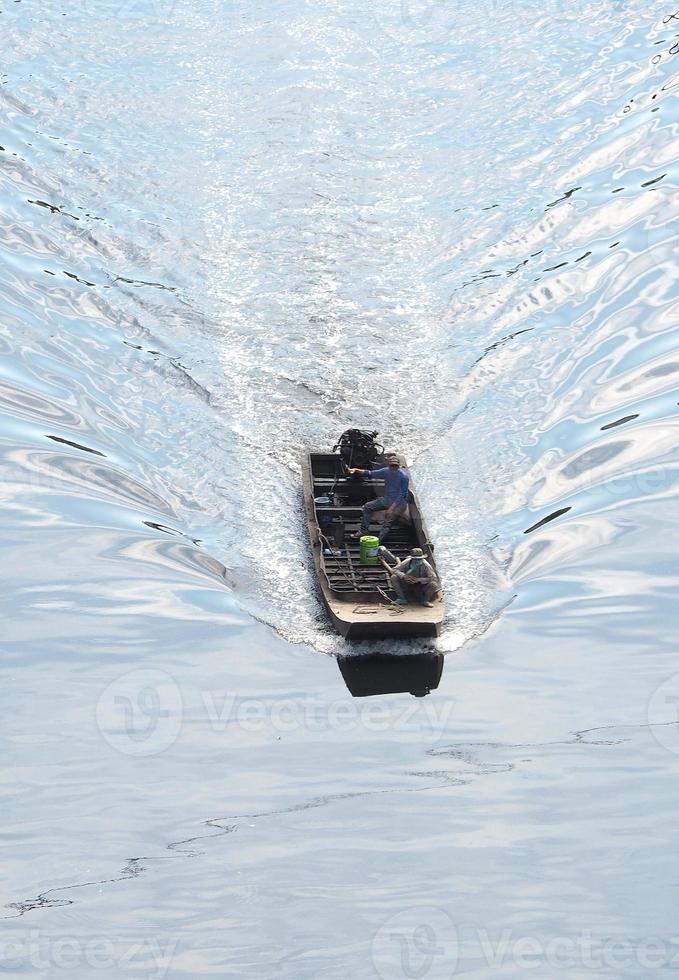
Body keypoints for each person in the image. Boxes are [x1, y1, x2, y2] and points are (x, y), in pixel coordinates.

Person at [348, 455, 409, 543]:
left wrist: (391, 509)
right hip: (388, 499)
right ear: (388, 465)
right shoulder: (385, 471)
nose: (394, 467)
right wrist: (356, 470)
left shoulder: (403, 477)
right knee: (368, 507)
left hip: (399, 503)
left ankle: (378, 542)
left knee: (388, 521)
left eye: (395, 465)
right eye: (392, 465)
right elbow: (370, 473)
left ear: (398, 466)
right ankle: (363, 530)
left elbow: (402, 495)